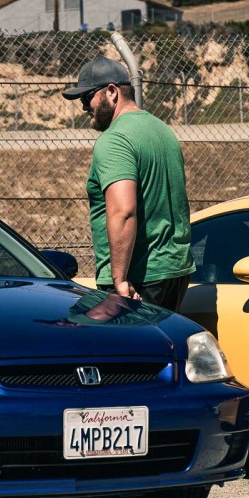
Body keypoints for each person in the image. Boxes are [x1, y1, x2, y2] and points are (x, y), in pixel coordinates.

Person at [62, 57, 194, 310]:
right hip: (174, 270)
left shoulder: (115, 140)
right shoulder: (162, 130)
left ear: (111, 92)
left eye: (86, 98)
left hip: (138, 279)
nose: (83, 108)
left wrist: (119, 278)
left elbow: (123, 211)